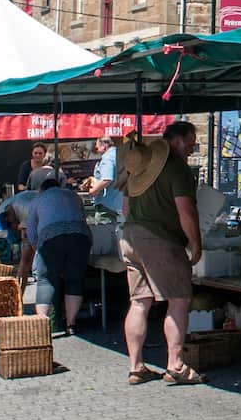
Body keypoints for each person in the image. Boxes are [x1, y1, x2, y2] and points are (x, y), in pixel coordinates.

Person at [118, 134, 203, 387]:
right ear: (176, 141)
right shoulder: (177, 169)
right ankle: (175, 365)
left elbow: (124, 209)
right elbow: (186, 210)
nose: (191, 148)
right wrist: (196, 244)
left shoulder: (137, 169)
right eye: (189, 143)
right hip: (159, 240)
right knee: (178, 300)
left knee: (139, 302)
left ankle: (136, 367)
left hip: (131, 237)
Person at [22, 176, 92, 334]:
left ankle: (42, 326)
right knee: (74, 280)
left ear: (42, 189)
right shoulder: (73, 196)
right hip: (80, 236)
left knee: (45, 280)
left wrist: (38, 250)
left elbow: (31, 232)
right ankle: (71, 324)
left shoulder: (38, 199)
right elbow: (83, 219)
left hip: (51, 238)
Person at [84, 135, 125, 216]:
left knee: (104, 228)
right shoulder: (119, 154)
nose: (96, 148)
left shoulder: (108, 158)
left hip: (106, 205)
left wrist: (93, 191)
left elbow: (106, 179)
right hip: (119, 202)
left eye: (97, 146)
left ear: (104, 146)